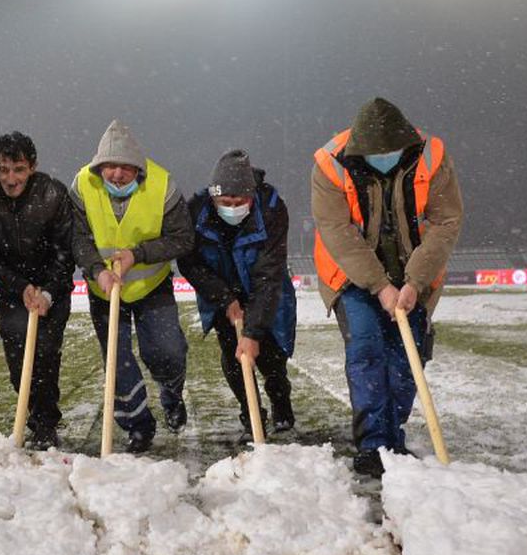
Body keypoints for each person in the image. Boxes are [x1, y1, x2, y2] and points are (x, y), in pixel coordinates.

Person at [311, 97, 463, 479]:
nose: (385, 158)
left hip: (415, 273)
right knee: (366, 348)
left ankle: (392, 437)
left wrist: (414, 281)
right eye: (375, 154)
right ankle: (371, 444)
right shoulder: (330, 166)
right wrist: (379, 285)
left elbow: (446, 222)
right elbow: (337, 232)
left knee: (404, 359)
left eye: (392, 152)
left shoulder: (432, 157)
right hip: (351, 274)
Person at [70, 119, 194, 454]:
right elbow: (78, 238)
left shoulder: (163, 185)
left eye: (125, 168)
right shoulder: (82, 185)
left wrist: (137, 255)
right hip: (104, 290)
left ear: (138, 168)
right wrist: (97, 270)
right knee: (118, 362)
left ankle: (171, 393)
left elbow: (183, 238)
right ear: (99, 167)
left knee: (168, 352)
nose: (117, 175)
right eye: (109, 167)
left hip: (152, 285)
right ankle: (138, 426)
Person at [177, 149, 297, 441]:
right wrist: (224, 298)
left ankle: (280, 399)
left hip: (265, 291)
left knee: (270, 357)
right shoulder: (195, 212)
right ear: (213, 197)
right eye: (224, 203)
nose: (231, 207)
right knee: (234, 357)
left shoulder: (271, 209)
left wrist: (253, 331)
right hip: (220, 291)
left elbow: (268, 274)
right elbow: (189, 262)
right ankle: (252, 414)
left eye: (239, 202)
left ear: (251, 197)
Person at [0, 131, 75, 451]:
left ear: (32, 167)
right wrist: (20, 287)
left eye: (18, 169)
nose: (10, 178)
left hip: (53, 292)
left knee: (44, 354)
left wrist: (46, 292)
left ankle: (44, 424)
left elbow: (65, 252)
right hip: (13, 294)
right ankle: (33, 412)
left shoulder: (54, 194)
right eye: (2, 169)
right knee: (20, 366)